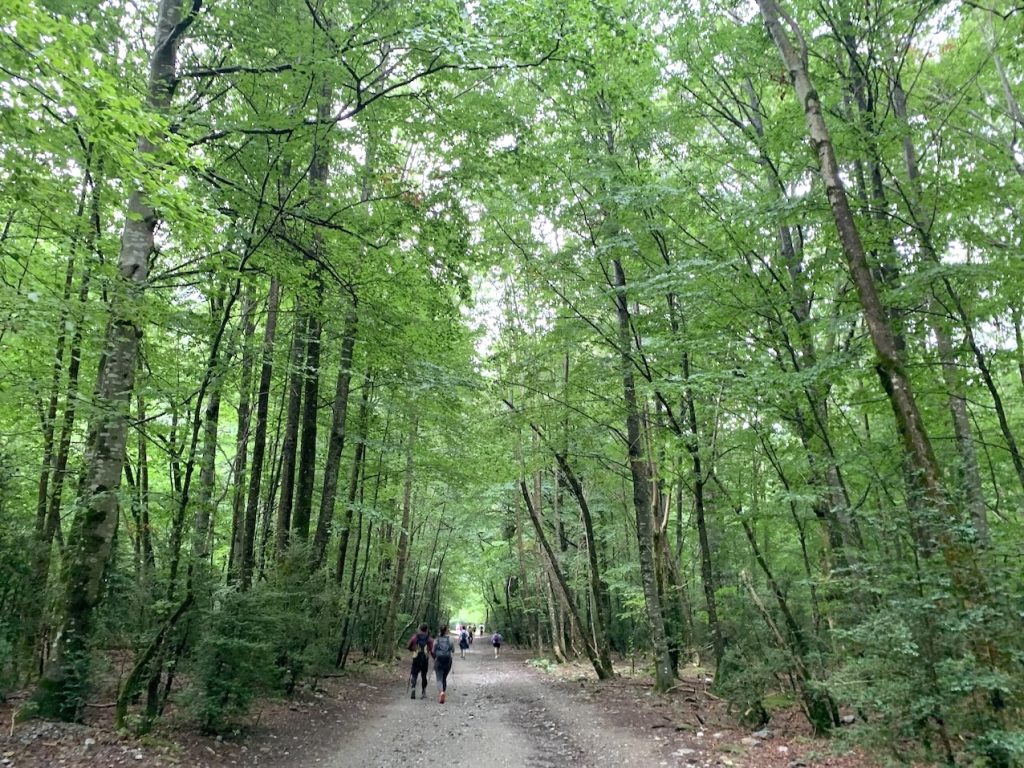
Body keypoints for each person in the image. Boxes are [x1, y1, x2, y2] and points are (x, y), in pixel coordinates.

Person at [406, 623, 432, 699]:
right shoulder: (429, 639)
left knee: (414, 674)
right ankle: (423, 692)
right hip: (425, 658)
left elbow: (408, 646)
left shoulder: (415, 637)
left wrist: (413, 649)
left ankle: (413, 689)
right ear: (427, 630)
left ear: (419, 629)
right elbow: (432, 649)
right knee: (424, 675)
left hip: (416, 657)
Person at [432, 624, 455, 703]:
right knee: (444, 678)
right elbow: (453, 650)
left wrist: (436, 655)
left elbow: (433, 651)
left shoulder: (436, 640)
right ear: (446, 630)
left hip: (439, 660)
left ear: (440, 630)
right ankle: (443, 693)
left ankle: (441, 692)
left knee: (439, 678)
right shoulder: (450, 640)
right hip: (448, 661)